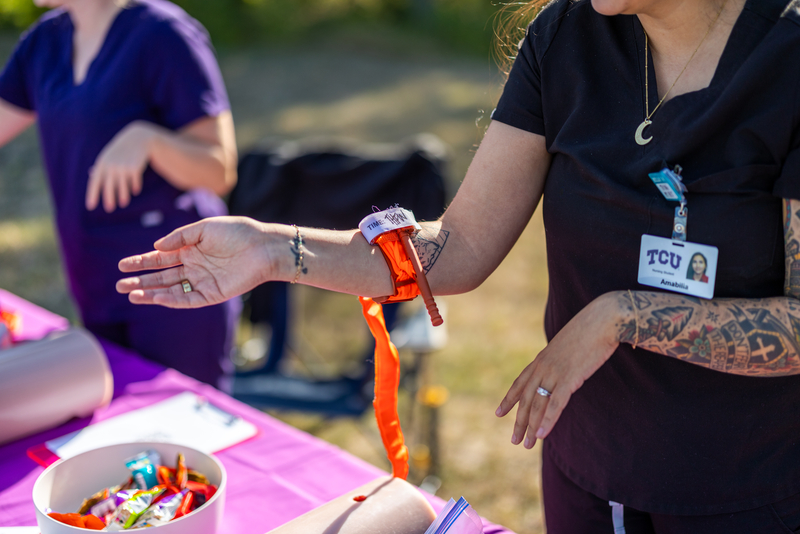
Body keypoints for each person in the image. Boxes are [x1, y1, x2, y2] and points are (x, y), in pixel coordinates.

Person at [116, 0, 800, 531]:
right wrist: (275, 249)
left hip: (745, 490)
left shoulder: (788, 59)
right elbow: (461, 244)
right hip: (586, 470)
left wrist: (624, 315)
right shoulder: (567, 36)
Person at [0, 0, 240, 386]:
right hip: (96, 282)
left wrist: (149, 140)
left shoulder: (163, 34)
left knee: (182, 419)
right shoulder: (44, 43)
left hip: (177, 286)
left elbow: (219, 170)